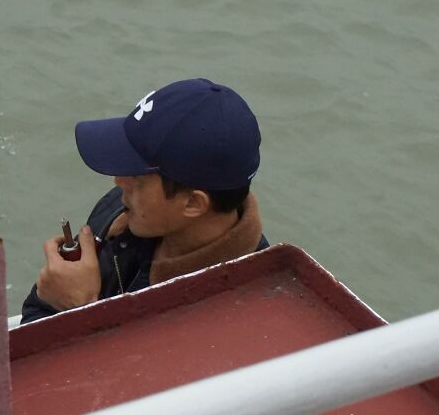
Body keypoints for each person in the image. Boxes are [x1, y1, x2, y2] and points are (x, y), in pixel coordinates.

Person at [21, 78, 268, 324]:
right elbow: (33, 320)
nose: (119, 181)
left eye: (138, 178)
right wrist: (60, 292)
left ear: (193, 203)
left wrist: (82, 309)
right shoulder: (121, 215)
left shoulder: (246, 310)